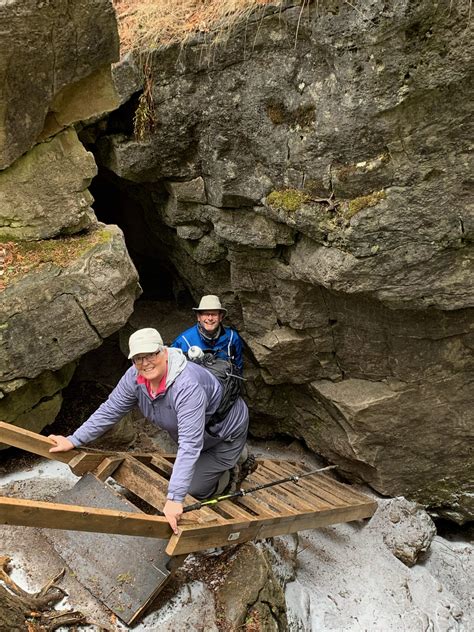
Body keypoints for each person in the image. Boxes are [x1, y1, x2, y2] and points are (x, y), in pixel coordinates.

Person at [48, 327, 251, 534]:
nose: (145, 363)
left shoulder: (187, 385)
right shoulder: (135, 378)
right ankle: (222, 461)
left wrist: (174, 499)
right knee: (184, 472)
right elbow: (110, 410)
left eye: (151, 355)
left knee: (194, 490)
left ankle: (232, 466)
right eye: (138, 358)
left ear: (163, 351)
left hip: (225, 435)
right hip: (196, 434)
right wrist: (73, 440)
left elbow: (190, 445)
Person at [171, 295, 244, 373]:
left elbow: (238, 367)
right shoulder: (183, 341)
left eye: (214, 314)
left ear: (220, 317)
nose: (210, 318)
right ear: (199, 317)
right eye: (206, 314)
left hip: (225, 382)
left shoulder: (232, 337)